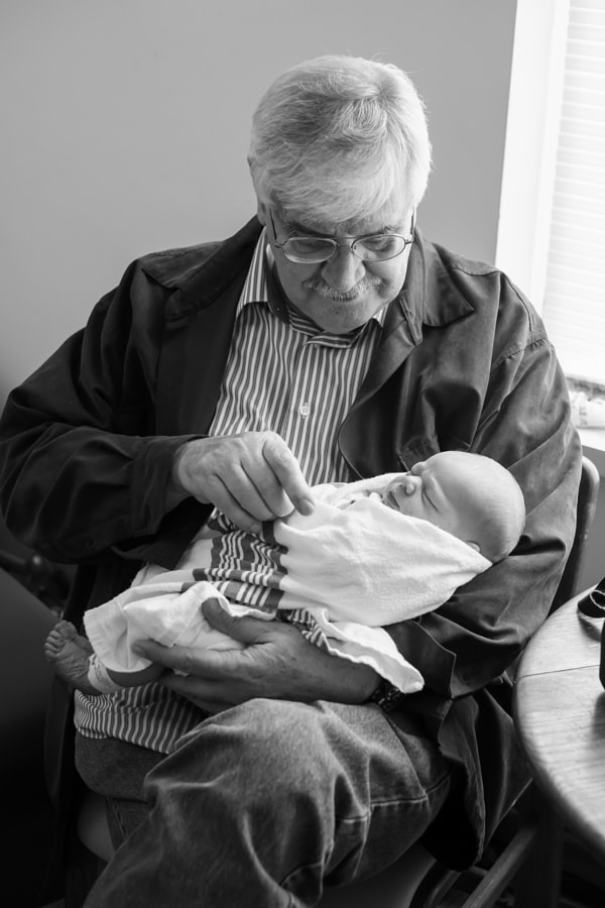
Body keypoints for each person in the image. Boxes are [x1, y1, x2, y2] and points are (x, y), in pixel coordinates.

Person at [0, 54, 580, 907]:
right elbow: (23, 471)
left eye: (379, 239)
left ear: (415, 201)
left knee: (259, 761)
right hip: (148, 691)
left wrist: (339, 670)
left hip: (369, 717)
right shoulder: (163, 303)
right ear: (260, 195)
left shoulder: (493, 336)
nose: (344, 280)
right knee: (212, 819)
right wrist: (173, 464)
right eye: (308, 238)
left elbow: (522, 567)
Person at [44, 451, 526, 700]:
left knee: (175, 623)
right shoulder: (154, 294)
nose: (405, 480)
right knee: (163, 580)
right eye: (419, 469)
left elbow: (349, 562)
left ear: (460, 548)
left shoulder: (422, 556)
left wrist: (285, 513)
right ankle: (108, 650)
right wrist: (176, 465)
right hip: (235, 566)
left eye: (429, 495)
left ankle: (106, 676)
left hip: (281, 622)